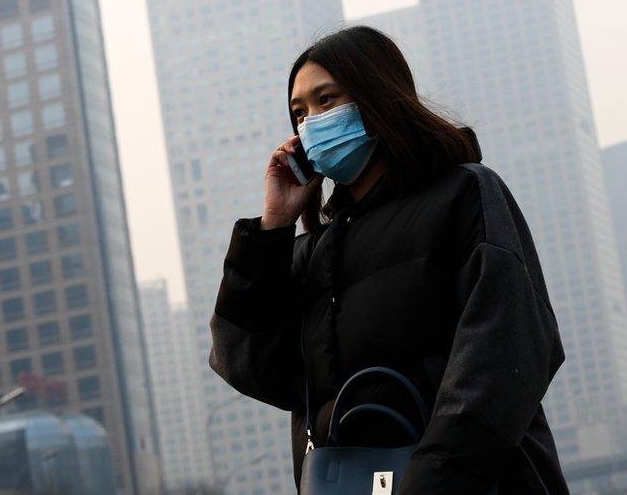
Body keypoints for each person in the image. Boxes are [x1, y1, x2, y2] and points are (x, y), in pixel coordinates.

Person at [209, 26, 568, 493]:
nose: (311, 122)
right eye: (299, 112)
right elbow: (254, 369)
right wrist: (272, 227)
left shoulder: (464, 194)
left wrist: (430, 481)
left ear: (377, 97)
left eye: (327, 100)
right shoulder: (312, 252)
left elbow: (505, 355)